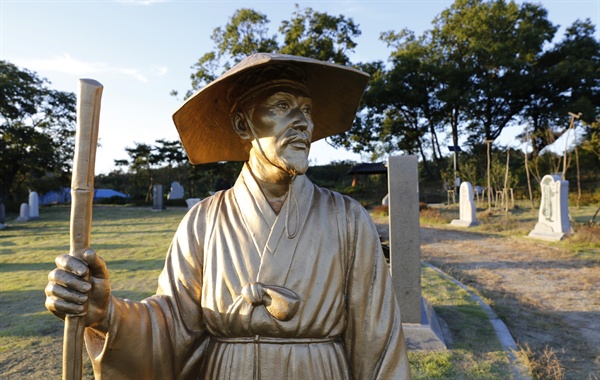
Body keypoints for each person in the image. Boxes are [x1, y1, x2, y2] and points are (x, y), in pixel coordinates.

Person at [45, 53, 412, 379]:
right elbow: (173, 326)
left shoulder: (347, 219)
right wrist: (106, 313)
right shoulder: (204, 220)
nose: (303, 122)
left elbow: (378, 341)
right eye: (283, 105)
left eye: (307, 109)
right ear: (243, 125)